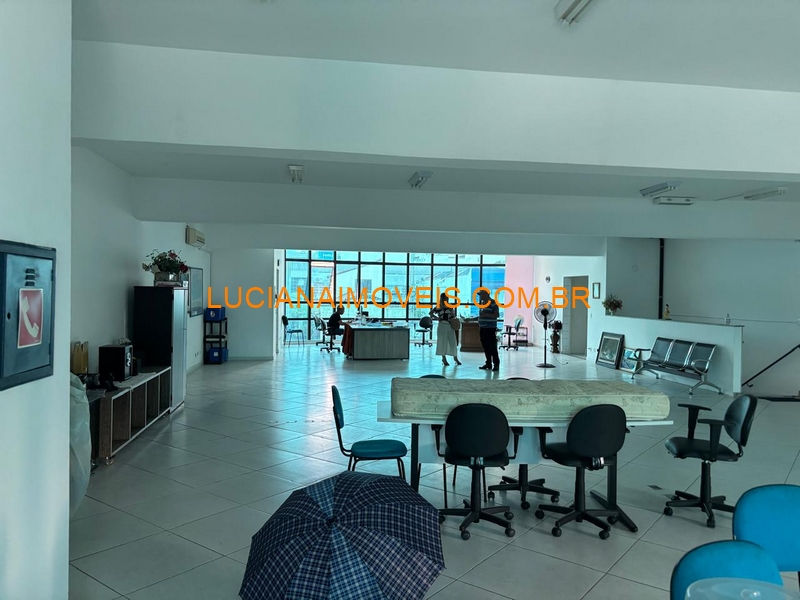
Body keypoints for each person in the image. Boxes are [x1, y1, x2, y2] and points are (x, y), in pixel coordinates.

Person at [430, 293, 461, 367]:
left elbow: (454, 315)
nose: (445, 300)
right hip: (442, 325)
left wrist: (451, 311)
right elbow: (431, 313)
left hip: (450, 325)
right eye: (444, 298)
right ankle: (444, 358)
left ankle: (455, 358)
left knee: (452, 341)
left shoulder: (450, 306)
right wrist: (437, 318)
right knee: (442, 341)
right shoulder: (438, 307)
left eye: (446, 298)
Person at [476, 289, 500, 371]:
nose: (480, 297)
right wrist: (470, 319)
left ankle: (496, 364)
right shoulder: (482, 304)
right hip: (483, 328)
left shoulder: (493, 303)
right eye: (480, 295)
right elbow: (481, 316)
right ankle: (488, 363)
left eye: (482, 295)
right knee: (485, 346)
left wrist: (485, 314)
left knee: (492, 347)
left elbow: (497, 315)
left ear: (487, 294)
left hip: (490, 328)